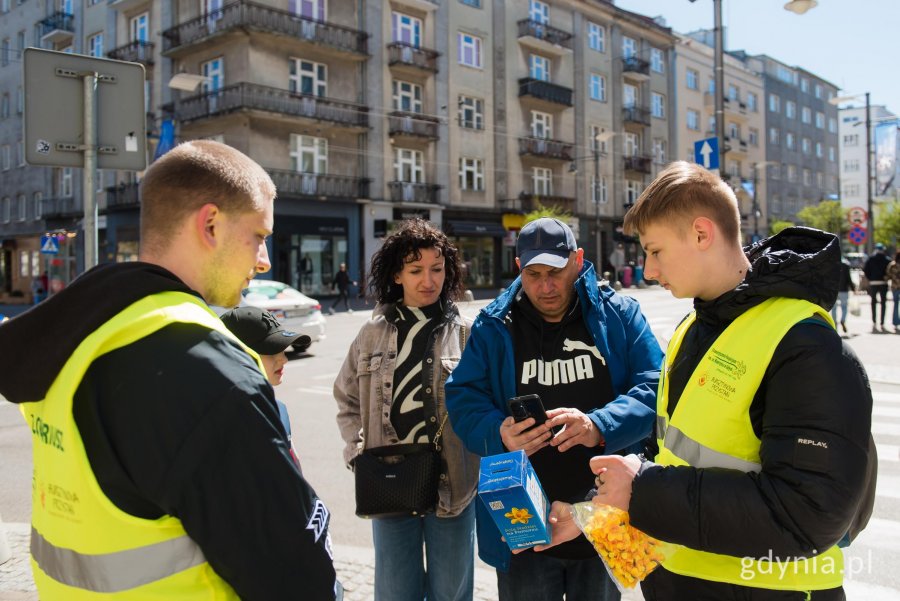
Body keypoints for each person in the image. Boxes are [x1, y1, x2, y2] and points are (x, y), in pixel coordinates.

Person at [0, 140, 340, 600]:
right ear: (211, 224)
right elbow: (297, 579)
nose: (263, 261)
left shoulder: (83, 335)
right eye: (259, 236)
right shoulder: (204, 365)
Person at [540, 161, 876, 600]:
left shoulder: (804, 344)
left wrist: (640, 489)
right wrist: (596, 514)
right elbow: (676, 464)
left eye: (655, 251)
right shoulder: (690, 331)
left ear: (702, 234)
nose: (648, 271)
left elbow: (808, 512)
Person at [445, 217, 663, 601]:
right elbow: (463, 397)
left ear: (578, 261)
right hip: (524, 524)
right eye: (533, 274)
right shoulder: (494, 322)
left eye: (556, 272)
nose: (545, 286)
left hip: (600, 518)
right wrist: (498, 432)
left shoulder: (620, 314)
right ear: (519, 268)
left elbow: (657, 384)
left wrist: (600, 424)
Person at [334, 218, 479, 601]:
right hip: (388, 482)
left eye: (436, 269)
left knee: (452, 592)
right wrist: (358, 450)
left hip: (453, 487)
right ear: (397, 274)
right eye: (415, 270)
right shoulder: (371, 334)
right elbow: (346, 400)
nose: (427, 280)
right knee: (396, 593)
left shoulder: (466, 332)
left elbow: (484, 403)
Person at [221, 305, 311, 464]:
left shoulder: (279, 409)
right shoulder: (222, 420)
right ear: (238, 354)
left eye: (282, 349)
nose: (283, 359)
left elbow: (293, 467)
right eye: (271, 350)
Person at [863, 242, 891, 332]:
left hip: (873, 283)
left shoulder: (870, 259)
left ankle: (874, 321)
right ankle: (882, 322)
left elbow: (865, 270)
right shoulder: (887, 260)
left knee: (873, 302)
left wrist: (870, 278)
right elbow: (890, 271)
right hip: (883, 283)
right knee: (883, 303)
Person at [831, 254, 854, 335]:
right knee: (844, 307)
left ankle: (834, 325)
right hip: (844, 290)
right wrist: (853, 288)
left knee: (834, 308)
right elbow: (849, 278)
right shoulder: (846, 265)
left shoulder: (832, 265)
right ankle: (843, 320)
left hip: (834, 290)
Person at [888, 250, 900, 333]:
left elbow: (888, 274)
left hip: (895, 286)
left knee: (896, 305)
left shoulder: (892, 264)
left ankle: (895, 322)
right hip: (896, 286)